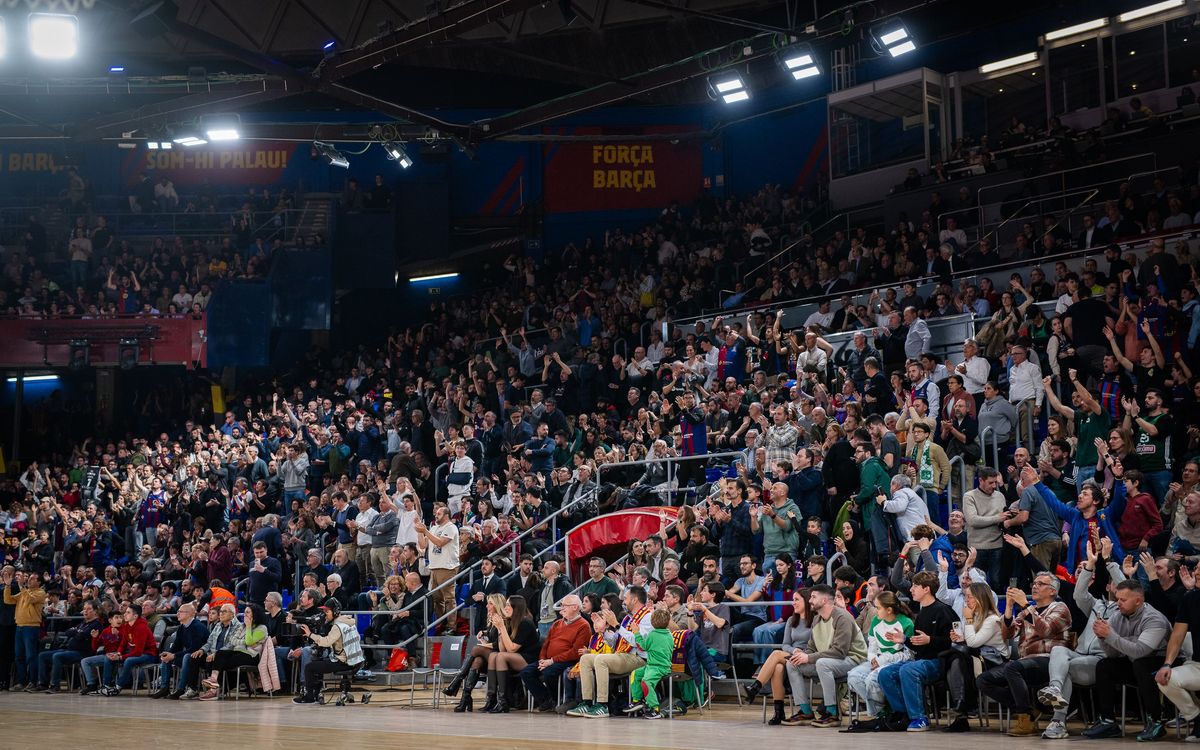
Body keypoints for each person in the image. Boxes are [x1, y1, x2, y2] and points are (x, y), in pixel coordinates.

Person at [977, 571, 1072, 736]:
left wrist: (1025, 606)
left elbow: (1046, 631)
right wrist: (1008, 607)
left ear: (1052, 591)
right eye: (1034, 583)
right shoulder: (1029, 610)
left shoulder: (1060, 608)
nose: (1035, 586)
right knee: (984, 680)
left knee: (1012, 668)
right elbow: (1007, 634)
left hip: (1050, 661)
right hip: (1026, 661)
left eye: (1041, 584)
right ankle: (1028, 710)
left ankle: (1025, 720)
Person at [1080, 579, 1173, 740]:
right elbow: (1113, 654)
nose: (1118, 603)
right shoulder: (1118, 616)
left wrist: (1111, 635)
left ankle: (1156, 722)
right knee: (1105, 665)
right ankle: (1108, 721)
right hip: (1135, 661)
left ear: (1138, 601)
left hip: (1163, 662)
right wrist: (1103, 638)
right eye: (1117, 599)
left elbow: (1140, 652)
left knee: (1141, 665)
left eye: (1123, 600)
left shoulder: (1154, 618)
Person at [876, 570, 956, 732]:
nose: (911, 589)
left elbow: (953, 641)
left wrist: (931, 640)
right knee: (885, 673)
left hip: (939, 661)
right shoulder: (921, 614)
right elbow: (918, 644)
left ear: (926, 589)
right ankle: (903, 714)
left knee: (908, 669)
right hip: (921, 660)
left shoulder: (943, 610)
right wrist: (904, 640)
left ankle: (919, 717)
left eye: (915, 586)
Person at [780, 583, 867, 727]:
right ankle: (805, 711)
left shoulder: (842, 617)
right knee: (792, 664)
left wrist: (808, 657)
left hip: (852, 660)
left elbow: (840, 652)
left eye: (813, 597)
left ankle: (832, 713)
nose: (810, 601)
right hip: (829, 661)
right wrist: (802, 656)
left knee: (822, 663)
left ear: (825, 600)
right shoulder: (817, 619)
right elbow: (811, 647)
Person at [568, 586, 654, 718]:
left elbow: (639, 642)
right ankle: (587, 702)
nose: (623, 601)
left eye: (626, 598)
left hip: (639, 658)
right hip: (623, 655)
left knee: (600, 660)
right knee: (586, 659)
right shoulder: (629, 618)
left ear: (635, 599)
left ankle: (603, 704)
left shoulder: (648, 617)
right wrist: (603, 631)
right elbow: (615, 642)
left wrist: (616, 625)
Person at [843, 590, 913, 732]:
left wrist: (881, 661)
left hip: (896, 661)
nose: (876, 610)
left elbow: (909, 654)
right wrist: (873, 659)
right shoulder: (876, 621)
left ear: (889, 610)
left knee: (871, 680)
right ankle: (881, 712)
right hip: (878, 659)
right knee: (853, 676)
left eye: (878, 607)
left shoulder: (906, 623)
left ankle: (881, 714)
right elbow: (872, 647)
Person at [743, 590, 812, 724]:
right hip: (791, 655)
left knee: (776, 654)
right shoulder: (792, 620)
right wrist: (793, 649)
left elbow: (817, 643)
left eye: (797, 600)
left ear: (806, 601)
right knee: (778, 668)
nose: (794, 603)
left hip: (807, 656)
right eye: (793, 599)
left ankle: (755, 688)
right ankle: (779, 713)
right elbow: (785, 644)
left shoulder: (815, 620)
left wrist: (802, 652)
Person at [520, 594, 591, 712]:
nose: (561, 608)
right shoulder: (557, 623)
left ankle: (556, 698)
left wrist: (551, 661)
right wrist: (543, 659)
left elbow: (575, 652)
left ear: (575, 607)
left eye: (565, 606)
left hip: (567, 660)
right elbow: (546, 644)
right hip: (548, 660)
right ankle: (546, 699)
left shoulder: (583, 626)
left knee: (549, 673)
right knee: (526, 672)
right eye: (561, 605)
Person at [293, 599, 364, 705]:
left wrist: (310, 634)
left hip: (344, 662)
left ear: (335, 611)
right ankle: (316, 693)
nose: (325, 615)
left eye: (327, 612)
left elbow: (326, 642)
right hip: (355, 660)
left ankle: (310, 697)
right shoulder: (349, 622)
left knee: (309, 667)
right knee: (319, 663)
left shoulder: (337, 626)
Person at [481, 594, 540, 713]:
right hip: (514, 657)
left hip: (529, 659)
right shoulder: (510, 621)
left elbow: (512, 649)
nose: (505, 608)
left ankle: (503, 702)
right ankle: (492, 699)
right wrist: (499, 630)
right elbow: (503, 649)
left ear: (516, 607)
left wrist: (501, 627)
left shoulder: (525, 623)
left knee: (500, 656)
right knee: (494, 655)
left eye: (508, 605)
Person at [198, 603, 269, 700]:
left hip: (252, 656)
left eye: (247, 612)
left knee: (219, 661)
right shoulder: (242, 626)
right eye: (244, 612)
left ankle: (215, 690)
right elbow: (233, 640)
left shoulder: (262, 628)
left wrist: (248, 627)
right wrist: (246, 642)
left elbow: (247, 641)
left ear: (255, 614)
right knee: (219, 653)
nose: (245, 614)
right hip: (238, 651)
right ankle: (214, 682)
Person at [148, 602, 208, 699]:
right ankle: (164, 688)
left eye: (180, 612)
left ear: (190, 614)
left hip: (201, 657)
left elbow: (195, 648)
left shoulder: (197, 626)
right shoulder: (182, 627)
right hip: (190, 656)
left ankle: (181, 689)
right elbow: (176, 646)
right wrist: (169, 653)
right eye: (178, 611)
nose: (177, 614)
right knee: (166, 657)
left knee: (186, 656)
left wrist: (174, 655)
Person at [3, 567, 46, 690]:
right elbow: (8, 600)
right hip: (20, 627)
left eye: (32, 579)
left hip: (31, 627)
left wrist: (22, 587)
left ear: (39, 583)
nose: (29, 580)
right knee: (19, 656)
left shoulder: (40, 593)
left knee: (31, 656)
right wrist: (7, 586)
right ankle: (21, 682)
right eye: (29, 578)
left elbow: (29, 599)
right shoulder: (24, 591)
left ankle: (33, 681)